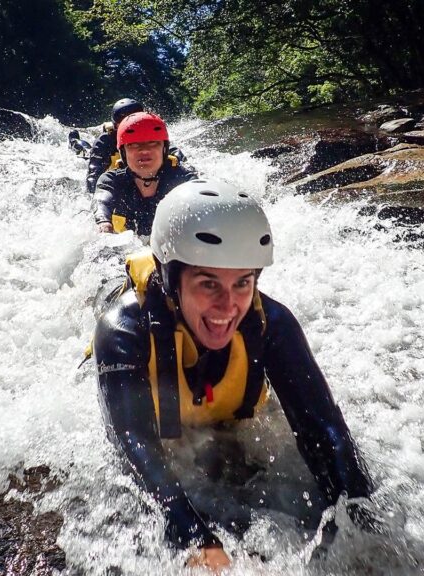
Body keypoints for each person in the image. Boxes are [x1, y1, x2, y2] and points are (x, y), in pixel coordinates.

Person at [93, 180, 375, 572]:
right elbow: (130, 441)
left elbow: (324, 431)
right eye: (208, 282)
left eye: (243, 282)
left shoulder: (272, 323)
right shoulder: (123, 331)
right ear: (172, 279)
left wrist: (361, 524)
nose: (228, 305)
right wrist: (193, 535)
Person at [93, 112, 196, 236]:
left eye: (153, 142)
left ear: (164, 148)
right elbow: (101, 202)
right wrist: (103, 222)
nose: (144, 150)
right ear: (123, 152)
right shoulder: (111, 180)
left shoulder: (184, 179)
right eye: (133, 144)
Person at [85, 98, 189, 194]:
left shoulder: (155, 136)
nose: (131, 124)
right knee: (85, 151)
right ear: (115, 125)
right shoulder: (106, 140)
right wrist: (97, 190)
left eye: (137, 119)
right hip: (120, 175)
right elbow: (94, 171)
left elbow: (173, 151)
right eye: (132, 145)